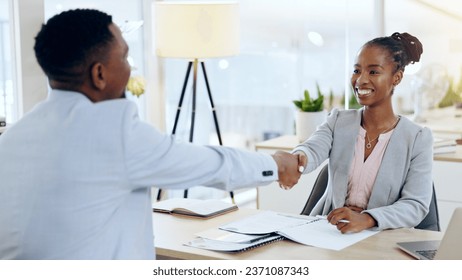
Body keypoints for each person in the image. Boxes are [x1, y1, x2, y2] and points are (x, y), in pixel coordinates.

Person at [0, 9, 303, 259]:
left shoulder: (13, 138)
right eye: (125, 57)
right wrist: (277, 164)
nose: (130, 67)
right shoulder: (113, 132)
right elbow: (212, 165)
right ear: (99, 74)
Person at [293, 32, 433, 233]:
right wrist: (297, 159)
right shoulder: (338, 121)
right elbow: (312, 149)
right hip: (330, 232)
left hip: (381, 236)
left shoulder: (418, 138)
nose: (361, 80)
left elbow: (415, 205)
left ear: (397, 77)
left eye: (373, 72)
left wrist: (367, 219)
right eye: (357, 70)